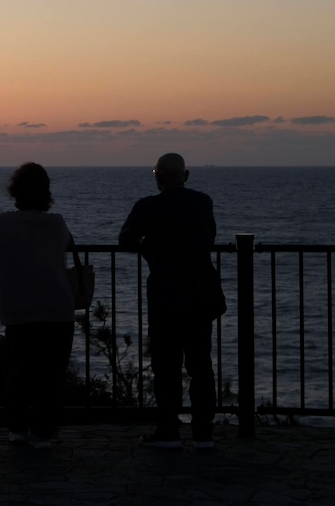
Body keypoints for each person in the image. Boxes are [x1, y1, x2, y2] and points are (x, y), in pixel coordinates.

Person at [0, 162, 75, 449]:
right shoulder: (58, 223)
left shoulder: (1, 224)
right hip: (59, 309)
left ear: (15, 192)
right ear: (46, 193)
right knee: (51, 375)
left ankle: (17, 429)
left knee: (20, 371)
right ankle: (42, 433)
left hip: (20, 310)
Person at [119, 153, 219, 449]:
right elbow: (209, 237)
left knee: (166, 366)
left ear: (157, 177)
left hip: (165, 295)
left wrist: (149, 247)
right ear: (185, 176)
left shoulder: (148, 207)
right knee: (201, 365)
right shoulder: (203, 202)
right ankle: (203, 432)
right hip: (199, 295)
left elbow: (126, 239)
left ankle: (168, 430)